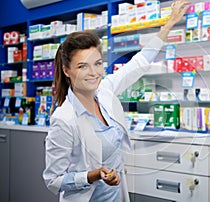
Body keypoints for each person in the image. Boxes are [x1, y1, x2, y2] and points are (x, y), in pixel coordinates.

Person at [43, 1, 190, 201]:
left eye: (97, 63)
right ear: (66, 70)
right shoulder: (64, 119)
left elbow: (139, 63)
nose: (93, 73)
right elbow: (53, 180)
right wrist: (93, 175)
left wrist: (170, 23)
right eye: (83, 66)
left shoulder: (104, 91)